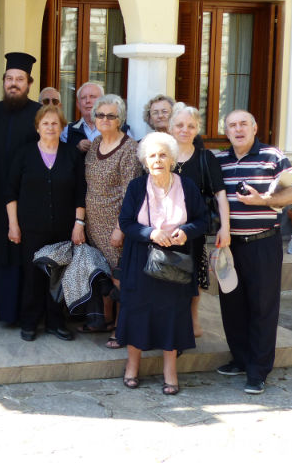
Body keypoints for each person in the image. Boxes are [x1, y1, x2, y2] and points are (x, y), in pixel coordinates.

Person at [215, 110, 292, 394]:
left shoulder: (272, 156)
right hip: (230, 246)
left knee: (263, 308)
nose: (238, 129)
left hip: (263, 243)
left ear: (254, 128)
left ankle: (258, 370)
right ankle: (240, 359)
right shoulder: (219, 160)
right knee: (232, 306)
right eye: (232, 125)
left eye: (244, 124)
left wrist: (264, 199)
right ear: (226, 131)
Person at [116, 132, 208, 395]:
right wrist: (151, 234)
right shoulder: (136, 187)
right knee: (136, 310)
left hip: (175, 262)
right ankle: (132, 366)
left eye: (163, 154)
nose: (157, 160)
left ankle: (170, 371)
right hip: (140, 261)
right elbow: (126, 223)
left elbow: (203, 220)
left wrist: (186, 231)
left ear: (172, 159)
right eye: (153, 155)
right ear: (146, 160)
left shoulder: (187, 186)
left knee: (173, 314)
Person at [6, 104, 83, 342]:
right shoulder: (24, 153)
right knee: (32, 276)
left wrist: (79, 223)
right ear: (37, 127)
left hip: (63, 227)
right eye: (45, 123)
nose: (50, 127)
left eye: (55, 123)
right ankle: (29, 322)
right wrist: (13, 225)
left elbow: (81, 192)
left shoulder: (72, 154)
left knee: (59, 277)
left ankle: (55, 322)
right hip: (31, 228)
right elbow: (10, 192)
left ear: (62, 127)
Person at [0, 52, 40, 324]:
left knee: (20, 253)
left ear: (29, 83)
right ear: (3, 81)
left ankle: (20, 312)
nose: (14, 83)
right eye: (10, 79)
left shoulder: (39, 114)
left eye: (20, 79)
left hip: (26, 199)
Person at [82, 94, 142, 346]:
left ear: (120, 119)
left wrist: (120, 227)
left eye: (110, 115)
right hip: (94, 222)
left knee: (120, 276)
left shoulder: (129, 148)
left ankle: (122, 327)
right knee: (103, 273)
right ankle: (105, 319)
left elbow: (132, 192)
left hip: (116, 223)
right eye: (100, 115)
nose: (104, 119)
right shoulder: (94, 144)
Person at [169, 103, 230, 336]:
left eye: (190, 126)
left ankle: (193, 318)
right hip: (165, 228)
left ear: (197, 129)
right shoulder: (162, 154)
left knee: (195, 274)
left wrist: (225, 228)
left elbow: (220, 195)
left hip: (195, 228)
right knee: (167, 273)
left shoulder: (206, 158)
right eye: (180, 125)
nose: (185, 129)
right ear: (171, 127)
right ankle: (172, 317)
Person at [62, 82, 135, 153]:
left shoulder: (122, 129)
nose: (88, 101)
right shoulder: (68, 130)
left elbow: (131, 154)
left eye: (92, 96)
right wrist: (76, 147)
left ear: (102, 101)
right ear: (78, 104)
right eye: (83, 98)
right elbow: (62, 157)